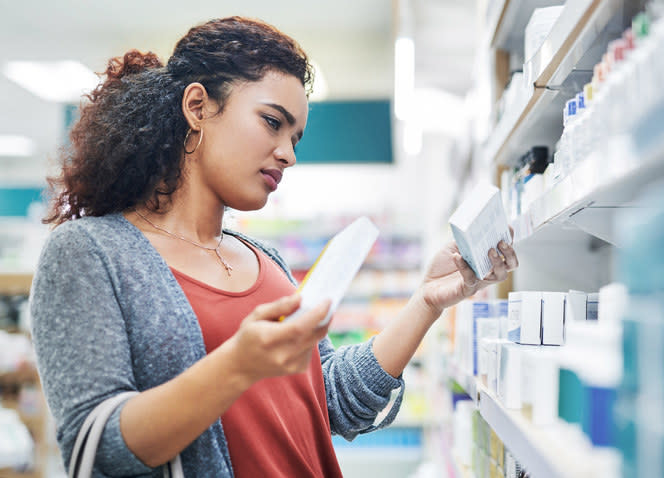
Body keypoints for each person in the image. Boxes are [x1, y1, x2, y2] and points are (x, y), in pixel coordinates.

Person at [30, 16, 518, 478]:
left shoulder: (267, 262)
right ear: (197, 108)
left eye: (296, 136)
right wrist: (236, 366)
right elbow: (96, 445)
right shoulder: (90, 253)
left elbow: (331, 401)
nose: (288, 153)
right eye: (271, 122)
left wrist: (425, 302)